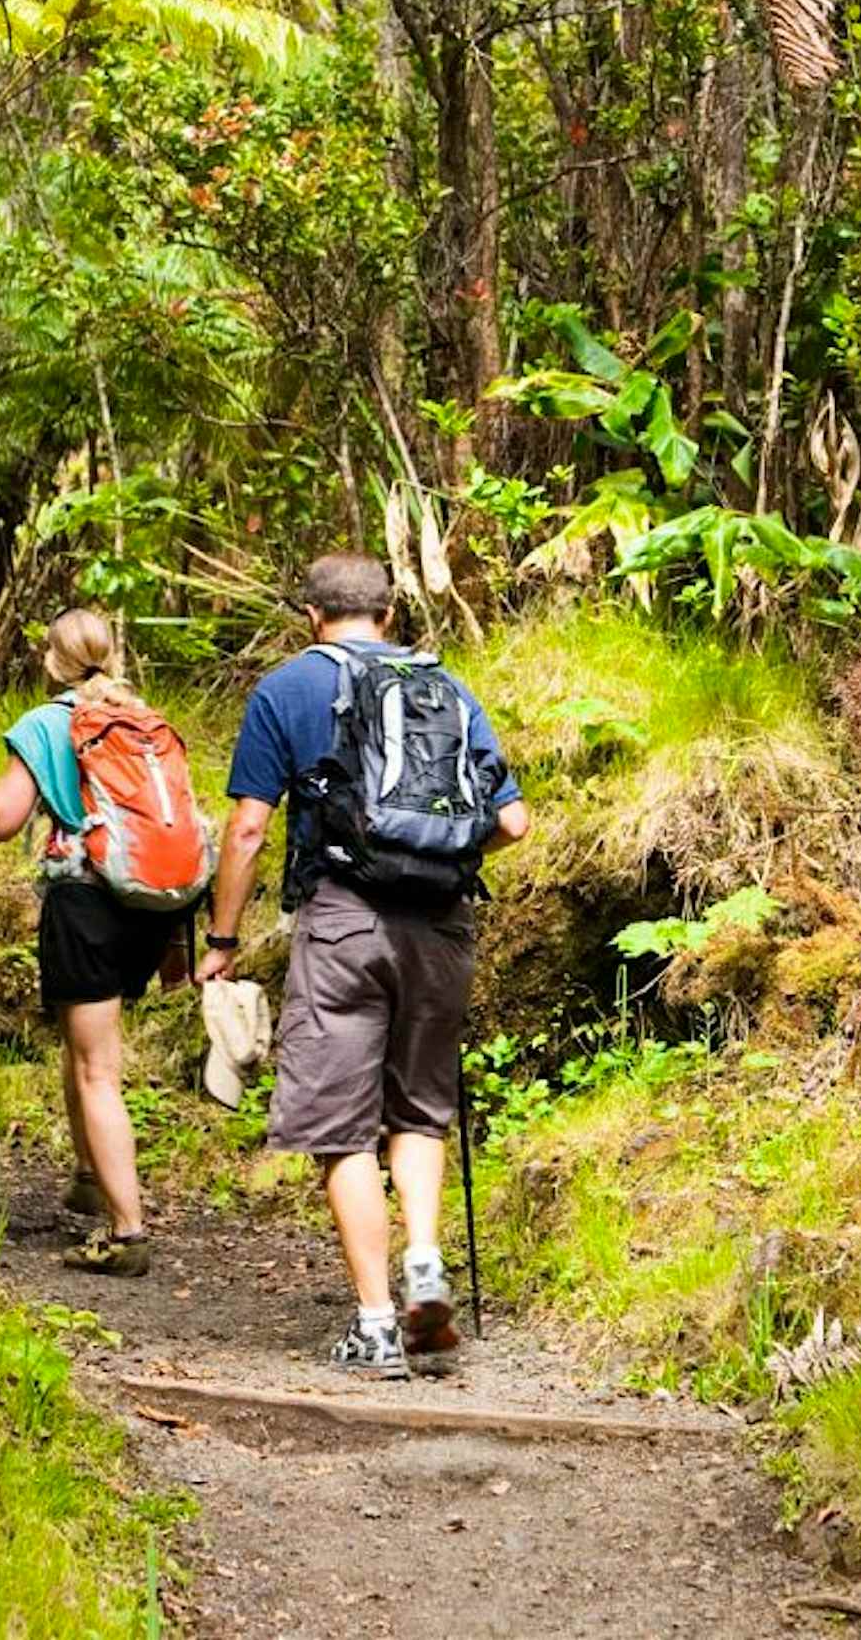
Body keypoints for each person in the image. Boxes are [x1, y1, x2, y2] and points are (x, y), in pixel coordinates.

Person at [199, 553, 529, 1378]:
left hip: (345, 920)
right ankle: (425, 1263)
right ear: (388, 611)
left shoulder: (286, 689)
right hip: (443, 925)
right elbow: (513, 821)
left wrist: (223, 939)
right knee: (417, 1109)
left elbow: (247, 829)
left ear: (311, 615)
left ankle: (378, 1322)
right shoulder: (444, 686)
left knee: (339, 1125)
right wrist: (443, 852)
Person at [0, 607, 193, 1276]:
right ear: (112, 653)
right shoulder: (145, 719)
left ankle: (127, 1232)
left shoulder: (43, 723)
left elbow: (2, 818)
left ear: (50, 660)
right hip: (147, 902)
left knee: (97, 1069)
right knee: (83, 1043)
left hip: (84, 899)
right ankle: (89, 1174)